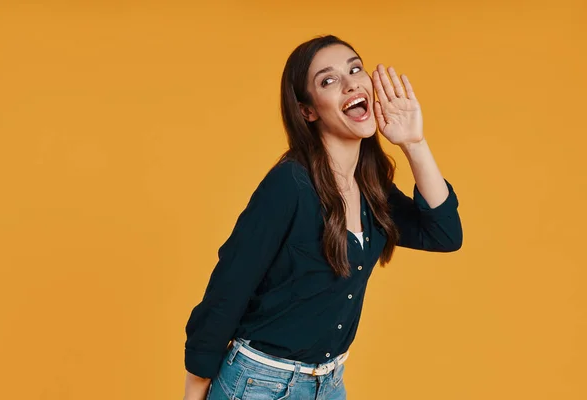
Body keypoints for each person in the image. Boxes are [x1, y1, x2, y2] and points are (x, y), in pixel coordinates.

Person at [183, 34, 463, 400]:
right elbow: (230, 284)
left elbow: (444, 234)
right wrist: (196, 386)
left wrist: (414, 143)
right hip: (258, 385)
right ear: (307, 110)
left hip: (327, 384)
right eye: (328, 81)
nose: (350, 83)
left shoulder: (370, 186)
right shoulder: (289, 184)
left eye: (355, 69)